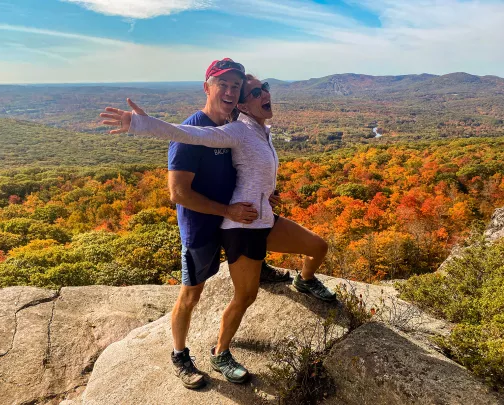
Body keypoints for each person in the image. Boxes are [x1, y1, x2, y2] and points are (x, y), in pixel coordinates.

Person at [100, 72, 335, 387]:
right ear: (240, 104)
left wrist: (265, 192)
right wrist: (141, 124)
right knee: (222, 294)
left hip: (257, 216)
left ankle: (298, 280)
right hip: (229, 225)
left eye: (262, 87)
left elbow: (245, 173)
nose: (263, 93)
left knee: (318, 246)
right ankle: (205, 353)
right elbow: (188, 137)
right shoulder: (235, 130)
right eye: (253, 92)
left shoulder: (259, 129)